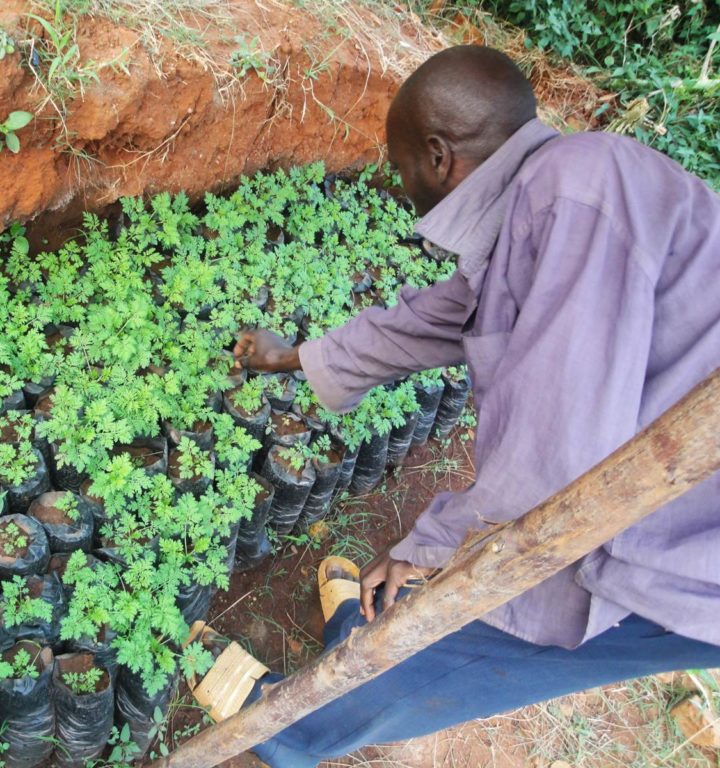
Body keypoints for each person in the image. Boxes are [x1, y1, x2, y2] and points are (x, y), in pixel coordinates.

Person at [197, 44, 720, 767]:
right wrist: (297, 357)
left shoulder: (574, 193)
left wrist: (428, 549)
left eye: (402, 166)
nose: (405, 183)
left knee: (485, 632)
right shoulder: (561, 190)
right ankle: (356, 642)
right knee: (452, 597)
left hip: (681, 544)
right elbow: (448, 315)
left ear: (438, 157)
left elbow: (554, 458)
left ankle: (287, 730)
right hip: (677, 507)